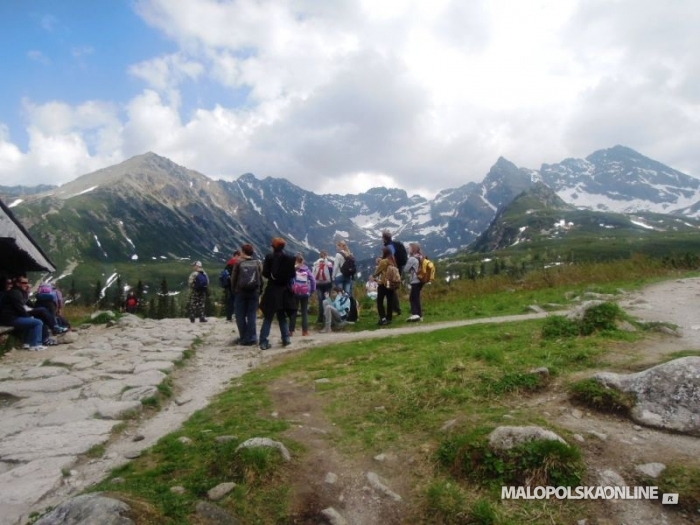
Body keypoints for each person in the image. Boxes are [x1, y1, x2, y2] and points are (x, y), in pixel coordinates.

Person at [259, 237, 297, 350]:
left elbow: (265, 273)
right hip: (284, 290)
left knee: (268, 317)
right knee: (282, 316)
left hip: (272, 289)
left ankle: (263, 341)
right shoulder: (289, 258)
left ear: (273, 246)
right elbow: (292, 275)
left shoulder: (269, 257)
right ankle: (286, 339)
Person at [0, 277, 46, 351]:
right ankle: (36, 344)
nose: (26, 285)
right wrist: (28, 317)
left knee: (32, 321)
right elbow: (19, 308)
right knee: (38, 322)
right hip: (10, 319)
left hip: (10, 318)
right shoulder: (15, 293)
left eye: (27, 283)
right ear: (18, 283)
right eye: (24, 283)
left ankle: (27, 343)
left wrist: (28, 317)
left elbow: (23, 306)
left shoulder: (17, 291)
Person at [231, 244, 263, 346]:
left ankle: (244, 337)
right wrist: (259, 291)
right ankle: (252, 338)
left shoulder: (238, 263)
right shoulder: (257, 263)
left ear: (243, 252)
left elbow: (233, 278)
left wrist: (234, 290)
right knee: (251, 315)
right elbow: (260, 279)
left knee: (240, 315)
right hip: (254, 292)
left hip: (241, 292)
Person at [289, 254, 316, 336]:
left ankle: (291, 331)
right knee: (304, 312)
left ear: (296, 260)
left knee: (294, 311)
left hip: (295, 292)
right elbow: (313, 280)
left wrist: (291, 289)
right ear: (302, 261)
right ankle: (305, 331)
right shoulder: (307, 270)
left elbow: (289, 280)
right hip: (305, 293)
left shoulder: (293, 269)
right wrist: (311, 291)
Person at [382, 231, 407, 316]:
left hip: (392, 270)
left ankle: (395, 309)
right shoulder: (396, 244)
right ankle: (395, 309)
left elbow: (391, 258)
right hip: (398, 269)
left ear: (384, 238)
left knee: (390, 288)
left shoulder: (389, 246)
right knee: (393, 288)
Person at [372, 246, 398, 326]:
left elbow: (376, 272)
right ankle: (389, 318)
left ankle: (383, 318)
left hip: (383, 283)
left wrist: (374, 276)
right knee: (390, 301)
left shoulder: (383, 261)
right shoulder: (393, 261)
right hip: (391, 283)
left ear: (384, 253)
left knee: (380, 301)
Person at [312, 250, 334, 324]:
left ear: (319, 256)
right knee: (327, 301)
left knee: (320, 301)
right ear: (326, 255)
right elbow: (331, 273)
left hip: (318, 285)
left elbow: (313, 274)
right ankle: (327, 317)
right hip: (327, 285)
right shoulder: (329, 263)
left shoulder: (315, 263)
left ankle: (320, 318)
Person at [404, 242, 424, 322]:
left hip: (415, 279)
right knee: (416, 297)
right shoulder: (421, 256)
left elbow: (405, 270)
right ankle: (420, 315)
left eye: (409, 248)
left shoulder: (412, 258)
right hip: (422, 279)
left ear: (413, 249)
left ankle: (415, 314)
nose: (408, 249)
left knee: (413, 298)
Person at [223, 250, 241, 322]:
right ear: (237, 255)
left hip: (229, 285)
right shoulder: (237, 263)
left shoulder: (229, 263)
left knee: (230, 300)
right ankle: (237, 316)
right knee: (238, 301)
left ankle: (228, 317)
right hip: (236, 285)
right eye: (239, 256)